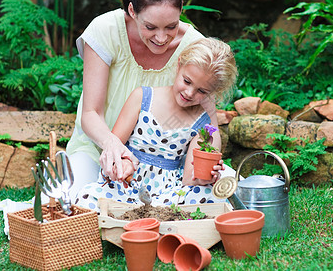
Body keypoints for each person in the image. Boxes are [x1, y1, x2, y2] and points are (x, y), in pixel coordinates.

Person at [65, 0, 221, 202]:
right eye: (150, 27)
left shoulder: (194, 46)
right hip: (98, 146)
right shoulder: (106, 29)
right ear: (131, 11)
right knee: (72, 203)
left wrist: (205, 160)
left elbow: (207, 119)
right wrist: (113, 147)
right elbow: (90, 113)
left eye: (171, 26)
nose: (161, 38)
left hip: (162, 165)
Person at [75, 37, 237, 210]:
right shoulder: (143, 97)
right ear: (179, 65)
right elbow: (115, 148)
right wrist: (121, 166)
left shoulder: (202, 123)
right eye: (187, 81)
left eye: (202, 91)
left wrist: (204, 178)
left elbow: (189, 180)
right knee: (87, 196)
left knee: (210, 198)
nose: (189, 93)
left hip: (169, 193)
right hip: (126, 187)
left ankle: (153, 221)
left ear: (214, 91)